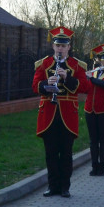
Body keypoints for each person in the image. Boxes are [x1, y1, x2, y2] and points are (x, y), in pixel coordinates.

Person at [33, 27, 89, 198]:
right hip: (49, 113)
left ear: (69, 47)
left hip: (67, 115)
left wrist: (67, 78)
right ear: (53, 47)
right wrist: (45, 83)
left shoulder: (76, 65)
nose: (60, 49)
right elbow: (35, 85)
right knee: (50, 153)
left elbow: (86, 87)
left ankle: (65, 187)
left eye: (63, 46)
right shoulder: (44, 64)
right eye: (57, 45)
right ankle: (52, 186)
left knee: (65, 153)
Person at [84, 43, 104, 176]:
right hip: (90, 110)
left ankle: (102, 167)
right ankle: (94, 166)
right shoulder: (95, 71)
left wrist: (91, 79)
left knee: (103, 139)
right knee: (93, 140)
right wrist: (87, 77)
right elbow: (86, 88)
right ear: (100, 61)